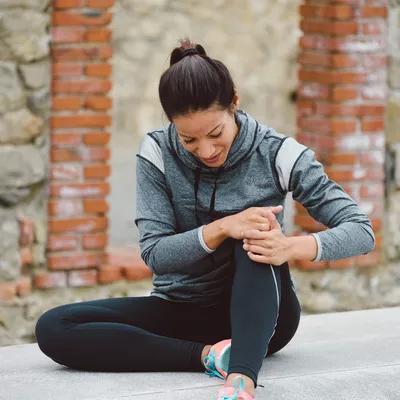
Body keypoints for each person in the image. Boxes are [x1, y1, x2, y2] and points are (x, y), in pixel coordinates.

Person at [35, 38, 375, 400]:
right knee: (55, 326)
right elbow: (156, 254)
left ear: (235, 103)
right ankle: (212, 356)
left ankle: (242, 379)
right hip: (183, 311)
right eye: (189, 140)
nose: (207, 150)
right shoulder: (156, 151)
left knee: (257, 230)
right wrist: (221, 227)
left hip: (264, 318)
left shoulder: (279, 153)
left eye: (215, 134)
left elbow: (361, 231)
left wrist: (289, 247)